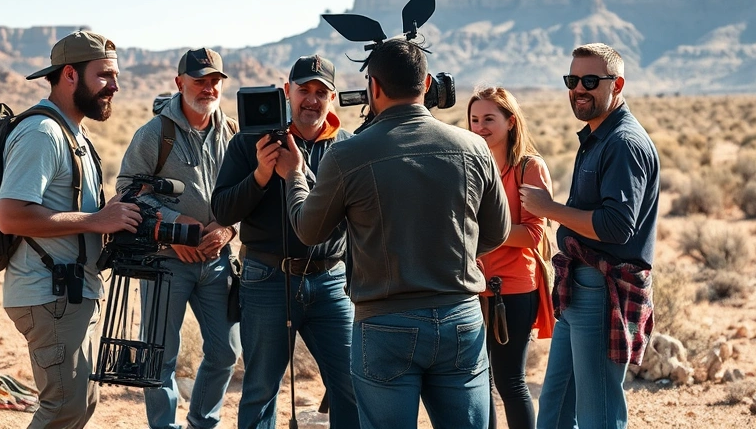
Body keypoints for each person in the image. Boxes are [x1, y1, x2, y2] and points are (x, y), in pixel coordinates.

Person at [273, 39, 511, 429]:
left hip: (385, 323)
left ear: (375, 88)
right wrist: (450, 251)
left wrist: (295, 176)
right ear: (427, 82)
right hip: (460, 318)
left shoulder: (347, 155)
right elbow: (498, 230)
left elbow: (308, 229)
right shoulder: (473, 147)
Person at [0, 30, 142, 429]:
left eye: (115, 76)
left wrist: (111, 215)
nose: (114, 86)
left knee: (80, 404)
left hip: (72, 293)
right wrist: (97, 221)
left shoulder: (73, 131)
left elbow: (71, 213)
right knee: (64, 409)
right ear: (70, 75)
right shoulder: (42, 134)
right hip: (50, 294)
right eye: (104, 76)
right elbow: (10, 216)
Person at [211, 54, 358, 429]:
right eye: (303, 90)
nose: (311, 99)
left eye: (320, 92)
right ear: (286, 92)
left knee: (351, 386)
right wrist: (261, 174)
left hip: (331, 282)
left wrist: (298, 173)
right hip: (266, 279)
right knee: (261, 389)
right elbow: (224, 210)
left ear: (333, 97)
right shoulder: (250, 141)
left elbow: (357, 218)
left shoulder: (347, 147)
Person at [520, 43, 659, 429]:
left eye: (591, 81)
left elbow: (617, 225)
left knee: (598, 414)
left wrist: (548, 209)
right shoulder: (599, 136)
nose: (579, 88)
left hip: (602, 291)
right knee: (556, 407)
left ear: (617, 84)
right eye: (573, 79)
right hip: (579, 289)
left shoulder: (622, 143)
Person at [116, 47, 241, 429]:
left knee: (226, 353)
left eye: (214, 81)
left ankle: (202, 422)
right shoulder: (155, 133)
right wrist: (177, 229)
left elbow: (247, 192)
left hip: (217, 260)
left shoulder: (234, 132)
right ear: (179, 83)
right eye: (199, 80)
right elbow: (127, 190)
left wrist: (228, 228)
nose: (208, 88)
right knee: (159, 357)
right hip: (165, 261)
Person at [467, 87, 554, 429]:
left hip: (515, 290)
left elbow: (533, 234)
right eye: (474, 120)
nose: (480, 127)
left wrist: (479, 240)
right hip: (472, 288)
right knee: (479, 381)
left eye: (489, 119)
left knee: (510, 381)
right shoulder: (470, 164)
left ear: (510, 122)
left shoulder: (529, 168)